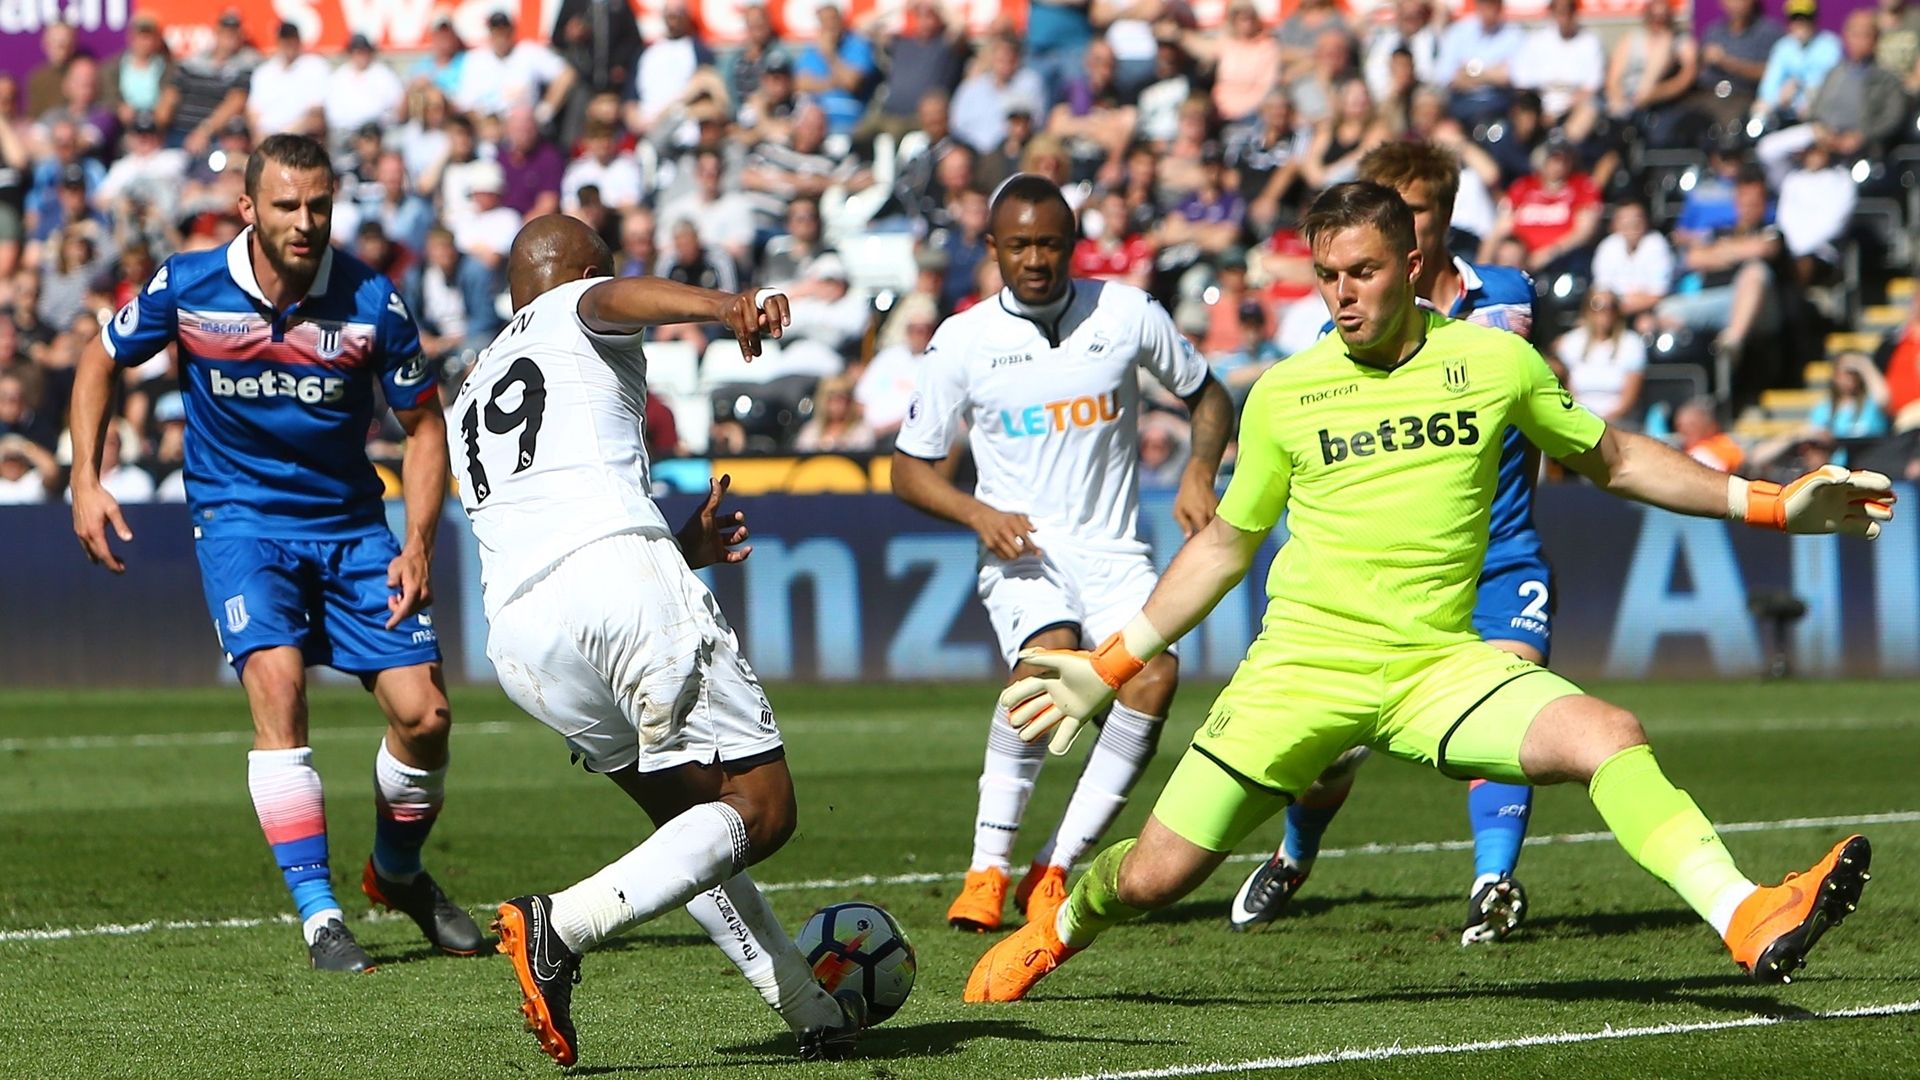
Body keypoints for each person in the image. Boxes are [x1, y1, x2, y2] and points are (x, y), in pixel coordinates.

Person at [964, 180, 1893, 1005]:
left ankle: (1747, 915)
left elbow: (1611, 458)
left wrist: (1769, 503)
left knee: (1609, 733)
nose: (1342, 294)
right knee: (1152, 882)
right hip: (1299, 674)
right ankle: (1057, 928)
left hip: (1437, 668)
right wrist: (1110, 663)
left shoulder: (1495, 363)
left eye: (1362, 271)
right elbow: (1221, 550)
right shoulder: (1285, 394)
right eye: (1326, 275)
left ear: (1414, 265)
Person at [68, 133, 484, 973]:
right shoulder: (186, 284)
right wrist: (87, 477)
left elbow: (425, 424)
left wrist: (416, 542)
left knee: (427, 718)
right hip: (239, 522)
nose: (305, 222)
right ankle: (321, 916)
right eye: (287, 206)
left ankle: (395, 874)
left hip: (353, 526)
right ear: (249, 208)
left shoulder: (373, 300)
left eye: (320, 205)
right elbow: (99, 360)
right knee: (280, 687)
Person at [459, 214, 864, 1067]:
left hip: (524, 637)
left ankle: (807, 1008)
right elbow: (609, 297)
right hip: (617, 581)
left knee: (689, 826)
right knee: (762, 807)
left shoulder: (470, 393)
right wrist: (725, 306)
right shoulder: (579, 303)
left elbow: (555, 537)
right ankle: (558, 926)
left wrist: (681, 549)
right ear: (576, 274)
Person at [891, 174, 1234, 935]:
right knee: (1048, 661)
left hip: (1115, 549)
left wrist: (1199, 469)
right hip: (1025, 551)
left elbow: (1209, 395)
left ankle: (1054, 865)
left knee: (1155, 675)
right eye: (1019, 245)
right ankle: (986, 868)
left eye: (1050, 243)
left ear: (1073, 245)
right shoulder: (964, 340)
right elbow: (908, 469)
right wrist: (975, 511)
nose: (1036, 259)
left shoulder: (1127, 313)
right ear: (993, 250)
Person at [1226, 141, 1552, 939]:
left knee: (1507, 706)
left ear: (1437, 222)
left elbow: (1540, 391)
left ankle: (1492, 882)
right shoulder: (1347, 314)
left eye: (1419, 211)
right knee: (1333, 754)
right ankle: (1294, 856)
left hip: (1502, 549)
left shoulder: (1509, 297)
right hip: (1389, 569)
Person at [1556, 289, 1647, 425]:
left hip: (1618, 422)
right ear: (1587, 310)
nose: (1605, 312)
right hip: (1578, 420)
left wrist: (1602, 423)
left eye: (1611, 307)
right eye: (1597, 306)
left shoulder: (1632, 343)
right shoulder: (1570, 342)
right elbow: (1567, 389)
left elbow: (1630, 397)